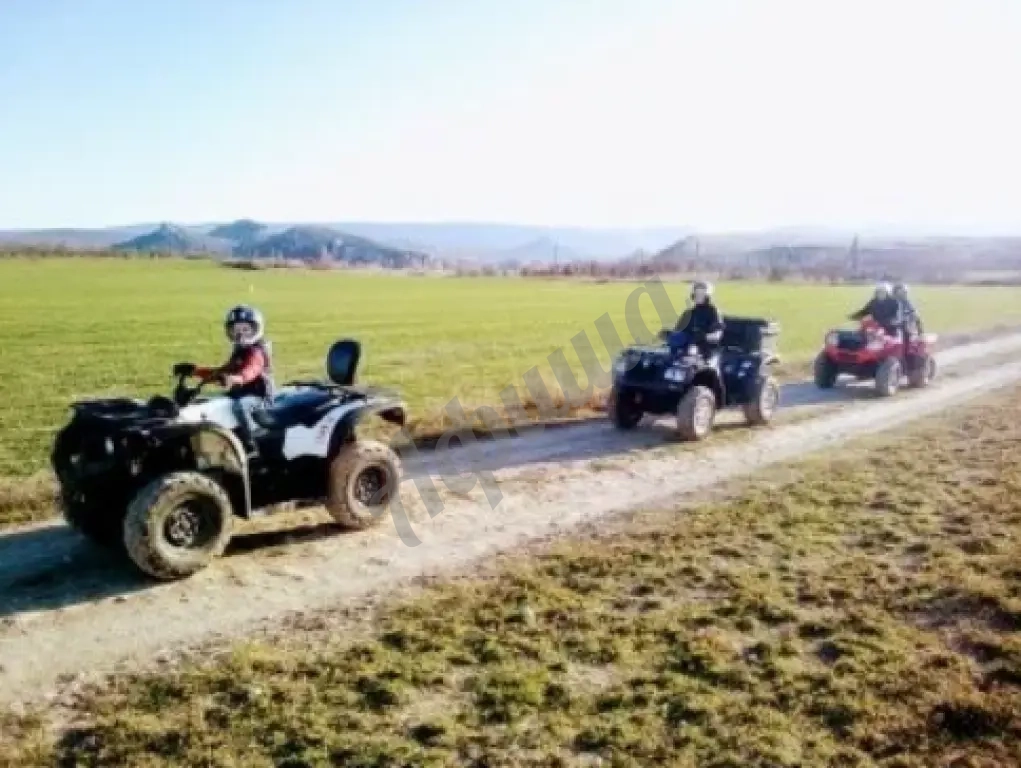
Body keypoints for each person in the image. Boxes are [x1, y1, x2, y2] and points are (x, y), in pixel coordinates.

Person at [194, 305, 274, 453]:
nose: (240, 335)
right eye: (236, 331)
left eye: (245, 330)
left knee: (240, 406)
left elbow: (251, 370)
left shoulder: (256, 351)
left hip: (260, 398)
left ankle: (252, 441)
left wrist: (237, 379)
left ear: (256, 330)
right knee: (210, 403)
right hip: (241, 393)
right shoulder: (239, 352)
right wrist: (195, 371)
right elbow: (223, 371)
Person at [674, 280, 725, 356]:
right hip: (688, 347)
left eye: (701, 294)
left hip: (707, 350)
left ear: (707, 296)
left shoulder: (713, 312)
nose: (699, 296)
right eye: (697, 294)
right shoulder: (689, 313)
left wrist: (704, 336)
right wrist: (669, 334)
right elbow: (678, 330)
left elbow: (717, 335)